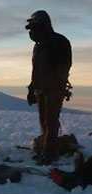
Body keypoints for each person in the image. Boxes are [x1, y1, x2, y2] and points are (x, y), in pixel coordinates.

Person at [25, 10, 72, 165]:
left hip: (53, 90)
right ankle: (46, 150)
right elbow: (36, 71)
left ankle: (49, 156)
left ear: (44, 25)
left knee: (51, 122)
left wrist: (57, 87)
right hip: (41, 90)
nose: (32, 29)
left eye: (35, 25)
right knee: (44, 121)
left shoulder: (59, 41)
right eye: (30, 26)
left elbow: (64, 66)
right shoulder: (38, 46)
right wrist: (32, 89)